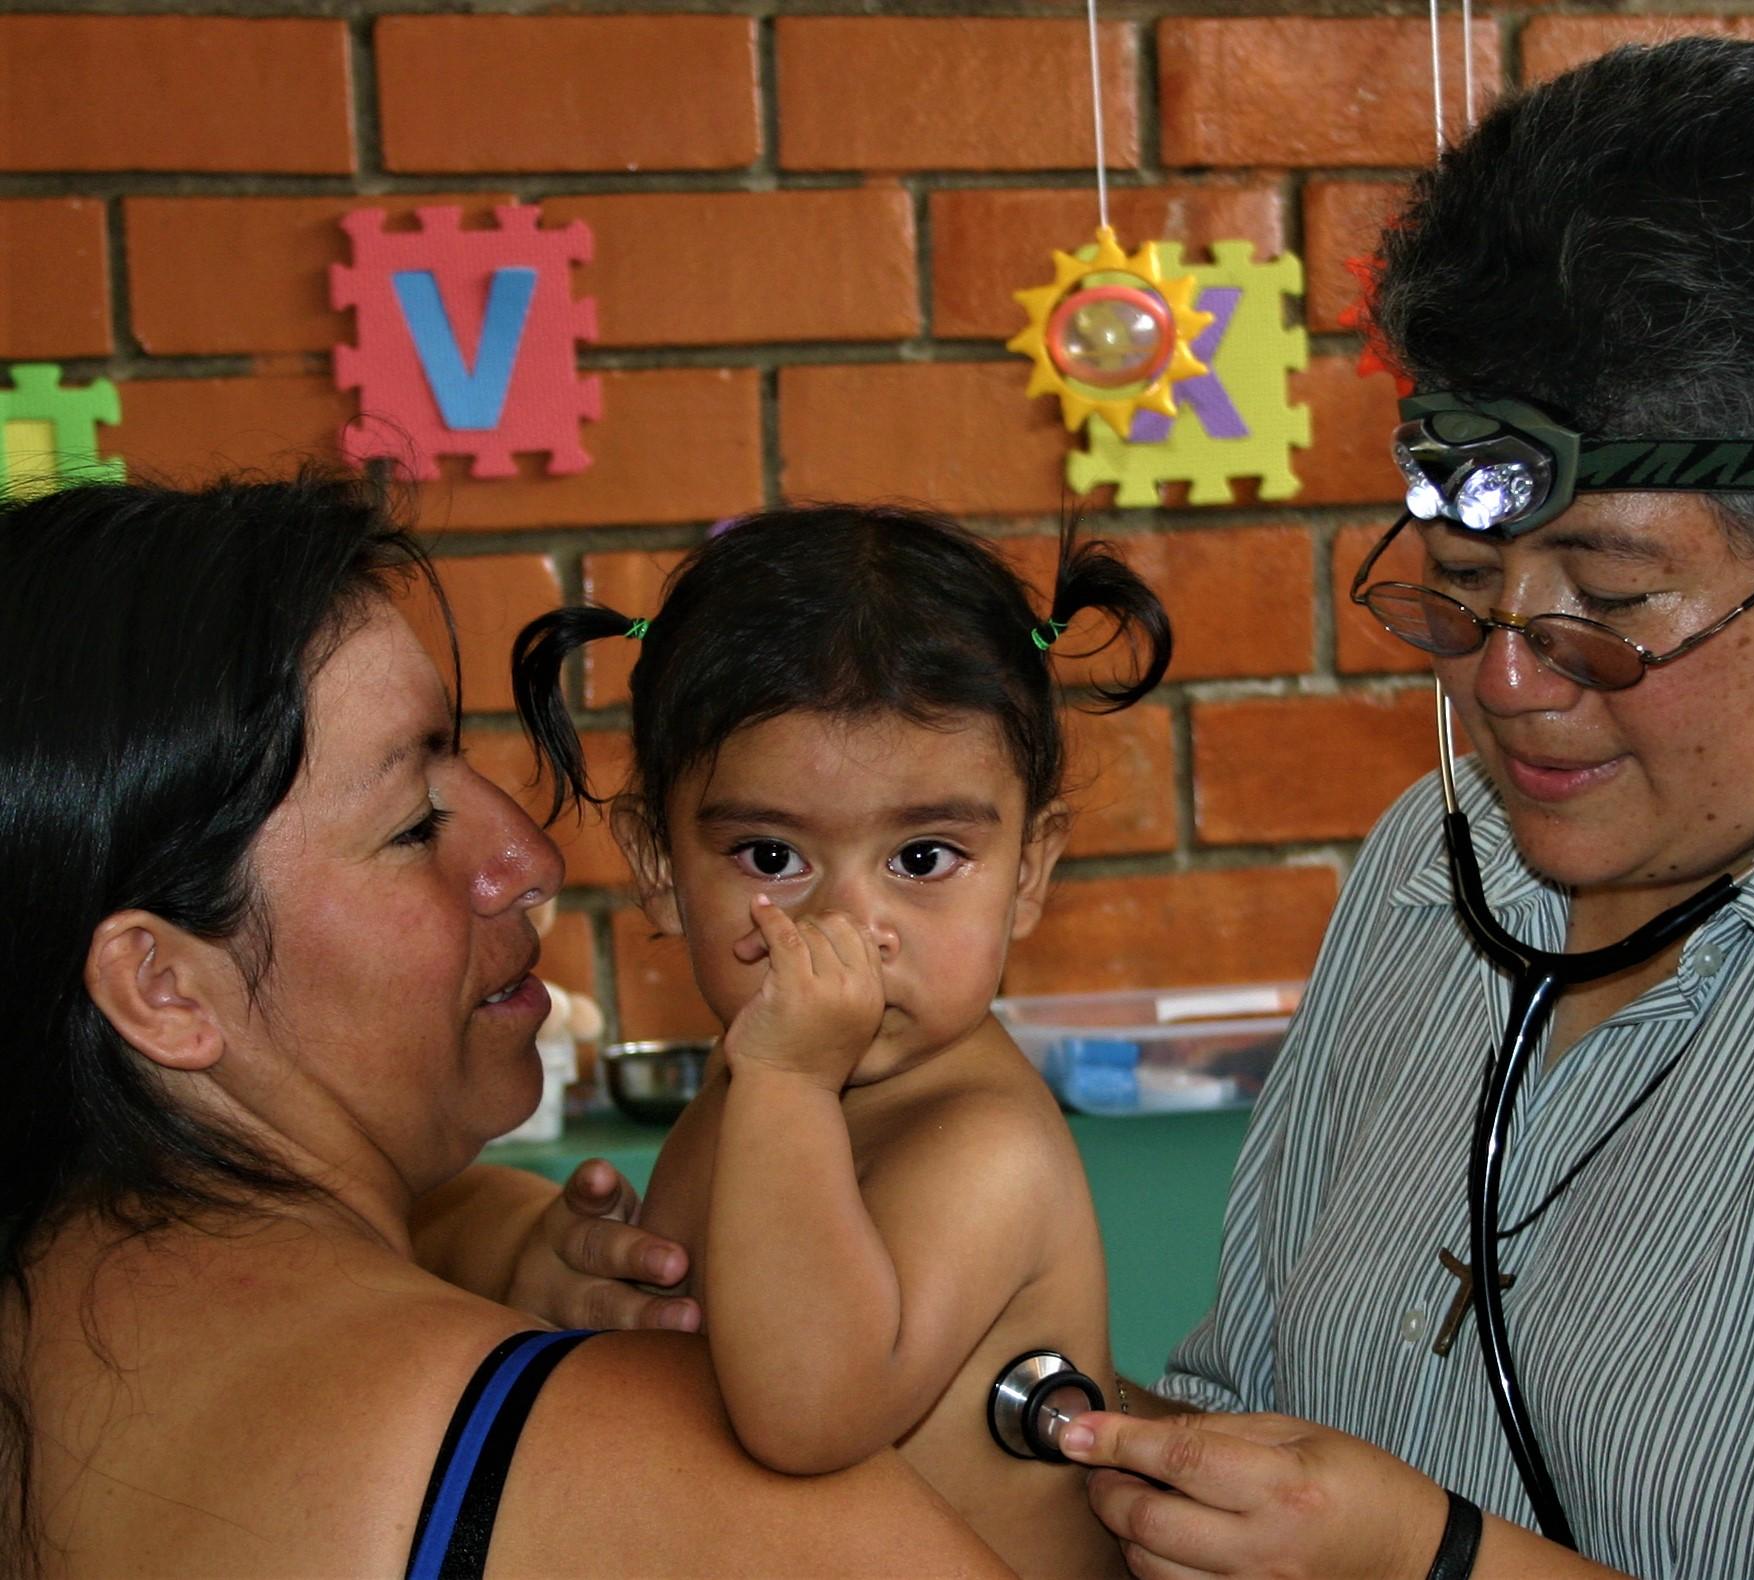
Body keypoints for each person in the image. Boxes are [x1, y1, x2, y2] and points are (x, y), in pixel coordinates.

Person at [1055, 38, 1754, 1580]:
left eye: (1609, 607)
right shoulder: (1440, 871)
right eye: (1466, 590)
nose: (1506, 685)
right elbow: (1253, 1416)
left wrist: (1430, 1565)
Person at [0, 472, 1013, 1578]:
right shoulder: (628, 1460)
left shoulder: (49, 1314)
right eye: (412, 820)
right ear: (163, 986)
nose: (527, 860)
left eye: (461, 750)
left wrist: (492, 1232)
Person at [509, 505, 1173, 1579]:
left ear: (1031, 870)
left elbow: (809, 1412)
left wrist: (782, 1078)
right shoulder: (748, 1087)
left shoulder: (979, 1147)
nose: (844, 928)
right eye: (770, 854)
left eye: (921, 857)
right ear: (661, 866)